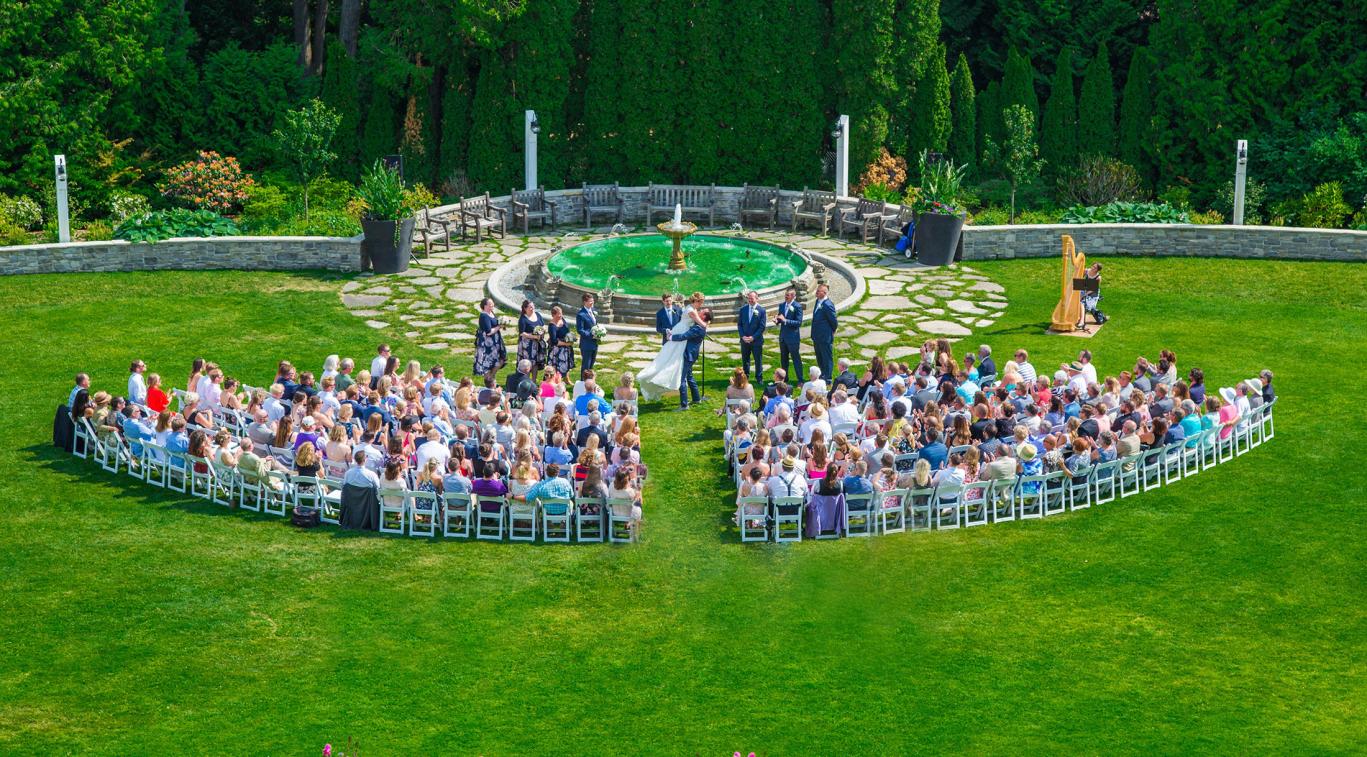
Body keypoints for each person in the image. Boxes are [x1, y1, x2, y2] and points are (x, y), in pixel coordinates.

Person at [637, 293, 710, 405]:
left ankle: (688, 403)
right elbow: (701, 324)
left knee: (683, 373)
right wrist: (706, 324)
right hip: (682, 332)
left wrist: (705, 322)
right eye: (701, 302)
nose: (702, 305)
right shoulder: (691, 310)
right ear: (696, 301)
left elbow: (697, 326)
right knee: (681, 367)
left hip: (683, 335)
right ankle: (695, 399)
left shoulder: (691, 309)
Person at [775, 287, 804, 383]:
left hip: (793, 338)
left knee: (796, 359)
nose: (786, 297)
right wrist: (777, 320)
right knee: (784, 360)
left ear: (793, 296)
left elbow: (798, 323)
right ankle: (784, 379)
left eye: (788, 295)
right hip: (783, 337)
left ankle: (800, 380)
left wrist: (785, 320)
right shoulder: (782, 305)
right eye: (785, 295)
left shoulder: (797, 306)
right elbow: (780, 317)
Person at [473, 298, 507, 379]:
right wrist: (499, 326)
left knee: (501, 360)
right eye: (490, 304)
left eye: (492, 303)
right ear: (485, 306)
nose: (492, 305)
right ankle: (489, 381)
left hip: (495, 342)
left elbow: (495, 325)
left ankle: (491, 378)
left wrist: (502, 324)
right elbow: (488, 332)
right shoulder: (484, 316)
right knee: (487, 363)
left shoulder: (491, 312)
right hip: (487, 344)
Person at [737, 289, 766, 383]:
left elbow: (762, 327)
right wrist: (742, 336)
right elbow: (740, 324)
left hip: (756, 340)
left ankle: (759, 378)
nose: (750, 300)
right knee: (745, 360)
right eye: (749, 298)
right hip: (744, 340)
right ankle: (745, 377)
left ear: (757, 298)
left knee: (758, 360)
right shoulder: (743, 309)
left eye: (752, 298)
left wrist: (753, 337)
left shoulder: (761, 311)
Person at [810, 283, 837, 383]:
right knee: (819, 357)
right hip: (817, 336)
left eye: (818, 291)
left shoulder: (827, 304)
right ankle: (822, 375)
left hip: (825, 336)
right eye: (817, 290)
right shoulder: (818, 301)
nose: (816, 292)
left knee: (826, 358)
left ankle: (828, 378)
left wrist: (832, 331)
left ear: (824, 293)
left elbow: (833, 321)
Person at [516, 299, 548, 372]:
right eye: (530, 307)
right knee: (527, 363)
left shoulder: (538, 314)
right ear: (525, 308)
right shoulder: (523, 319)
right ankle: (526, 380)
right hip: (527, 345)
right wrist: (534, 336)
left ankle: (533, 381)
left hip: (538, 343)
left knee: (536, 363)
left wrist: (543, 330)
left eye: (533, 306)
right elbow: (522, 333)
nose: (532, 308)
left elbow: (543, 325)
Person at [547, 305, 576, 379]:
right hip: (557, 349)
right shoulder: (552, 326)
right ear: (553, 315)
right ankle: (554, 380)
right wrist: (566, 344)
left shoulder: (562, 319)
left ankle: (567, 379)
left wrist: (571, 337)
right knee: (556, 366)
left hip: (566, 346)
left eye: (561, 313)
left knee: (567, 363)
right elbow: (554, 341)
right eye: (558, 314)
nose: (561, 315)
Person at [576, 293, 600, 371]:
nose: (592, 303)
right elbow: (580, 330)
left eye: (592, 301)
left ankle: (589, 381)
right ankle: (583, 381)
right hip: (586, 344)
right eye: (590, 301)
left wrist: (599, 331)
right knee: (586, 365)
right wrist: (592, 334)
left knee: (591, 365)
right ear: (584, 302)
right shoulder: (581, 314)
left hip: (594, 343)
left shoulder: (593, 311)